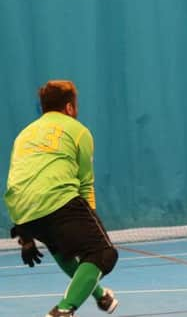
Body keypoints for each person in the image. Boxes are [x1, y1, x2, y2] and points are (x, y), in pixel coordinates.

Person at [4, 80, 119, 316]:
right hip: (57, 199)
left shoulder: (24, 135)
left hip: (22, 209)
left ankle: (101, 297)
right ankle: (63, 311)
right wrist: (92, 221)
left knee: (64, 249)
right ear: (69, 108)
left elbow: (18, 179)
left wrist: (25, 234)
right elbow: (85, 183)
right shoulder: (79, 131)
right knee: (102, 253)